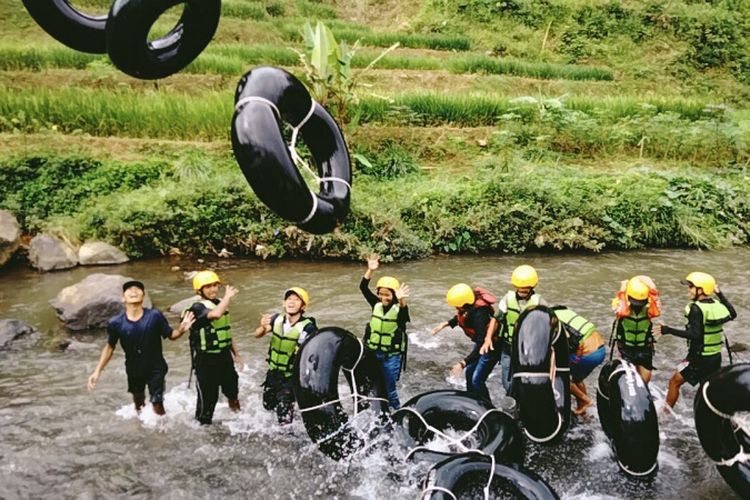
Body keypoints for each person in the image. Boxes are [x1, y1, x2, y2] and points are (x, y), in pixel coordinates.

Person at [87, 280, 194, 416]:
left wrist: (182, 328)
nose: (134, 291)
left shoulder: (155, 316)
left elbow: (171, 335)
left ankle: (161, 433)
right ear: (123, 298)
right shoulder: (116, 323)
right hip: (133, 369)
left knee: (157, 402)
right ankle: (142, 431)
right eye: (129, 290)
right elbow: (109, 347)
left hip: (156, 367)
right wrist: (97, 372)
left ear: (143, 297)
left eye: (138, 289)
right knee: (139, 404)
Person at [654, 272, 737, 409]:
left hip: (699, 358)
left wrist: (668, 330)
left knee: (674, 382)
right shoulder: (716, 305)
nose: (689, 290)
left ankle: (665, 414)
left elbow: (695, 335)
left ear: (701, 290)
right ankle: (722, 416)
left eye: (691, 287)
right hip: (715, 357)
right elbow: (733, 313)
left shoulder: (696, 308)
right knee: (708, 389)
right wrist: (720, 294)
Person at [183, 270, 242, 425]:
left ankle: (239, 421)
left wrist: (236, 354)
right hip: (206, 361)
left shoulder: (220, 303)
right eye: (208, 287)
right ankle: (203, 431)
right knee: (208, 401)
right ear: (199, 290)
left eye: (215, 285)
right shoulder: (197, 308)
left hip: (224, 358)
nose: (213, 289)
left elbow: (226, 332)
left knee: (233, 393)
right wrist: (228, 297)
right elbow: (215, 315)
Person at [254, 287, 317, 424]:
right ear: (284, 303)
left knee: (284, 418)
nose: (292, 302)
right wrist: (263, 327)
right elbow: (257, 335)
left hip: (290, 378)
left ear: (303, 306)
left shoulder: (308, 327)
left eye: (296, 300)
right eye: (289, 299)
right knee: (268, 406)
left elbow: (312, 354)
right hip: (273, 374)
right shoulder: (276, 319)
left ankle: (288, 439)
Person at [481, 264, 545, 394]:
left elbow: (547, 325)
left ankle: (522, 402)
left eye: (525, 290)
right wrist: (488, 339)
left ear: (532, 287)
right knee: (507, 382)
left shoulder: (539, 302)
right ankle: (513, 398)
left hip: (529, 350)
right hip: (508, 347)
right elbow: (496, 319)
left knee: (527, 380)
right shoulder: (507, 299)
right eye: (520, 289)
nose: (522, 292)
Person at [433, 283, 498, 404]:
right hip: (481, 344)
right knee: (469, 373)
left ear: (466, 304)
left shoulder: (480, 314)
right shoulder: (468, 308)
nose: (456, 309)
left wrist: (463, 363)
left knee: (476, 380)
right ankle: (471, 401)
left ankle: (488, 407)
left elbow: (481, 343)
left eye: (458, 306)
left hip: (491, 347)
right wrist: (445, 324)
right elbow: (460, 317)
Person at [360, 254, 410, 410]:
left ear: (394, 295)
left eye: (387, 294)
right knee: (370, 386)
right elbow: (363, 287)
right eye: (380, 294)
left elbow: (403, 314)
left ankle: (396, 413)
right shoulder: (375, 304)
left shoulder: (399, 309)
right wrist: (370, 270)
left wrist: (402, 299)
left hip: (391, 357)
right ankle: (375, 412)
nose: (383, 297)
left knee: (389, 390)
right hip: (373, 353)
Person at [551, 306, 605, 415]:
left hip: (588, 354)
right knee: (577, 378)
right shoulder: (565, 313)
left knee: (560, 375)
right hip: (601, 349)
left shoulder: (552, 318)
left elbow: (566, 337)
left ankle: (586, 400)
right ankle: (584, 410)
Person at [612, 276, 660, 384]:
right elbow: (656, 299)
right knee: (638, 377)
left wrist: (623, 287)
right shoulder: (650, 307)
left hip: (634, 349)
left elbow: (620, 303)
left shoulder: (620, 306)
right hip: (637, 349)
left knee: (634, 381)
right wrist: (651, 285)